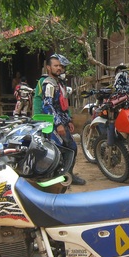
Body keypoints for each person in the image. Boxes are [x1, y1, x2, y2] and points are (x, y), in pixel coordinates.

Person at [40, 54, 86, 185]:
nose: (59, 68)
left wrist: (68, 120)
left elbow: (63, 105)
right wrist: (58, 124)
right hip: (53, 123)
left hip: (62, 121)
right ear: (49, 68)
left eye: (60, 66)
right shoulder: (49, 84)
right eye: (56, 65)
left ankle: (67, 175)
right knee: (60, 150)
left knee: (70, 148)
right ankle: (59, 178)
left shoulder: (60, 83)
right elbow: (47, 106)